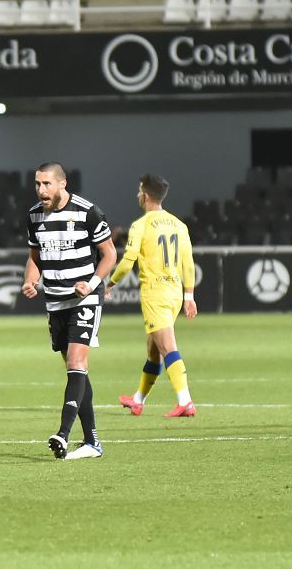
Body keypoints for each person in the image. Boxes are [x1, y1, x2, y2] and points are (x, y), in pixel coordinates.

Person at [22, 163, 117, 460]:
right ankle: (92, 443)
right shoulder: (34, 215)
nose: (41, 190)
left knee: (77, 362)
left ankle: (62, 433)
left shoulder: (88, 212)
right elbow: (34, 257)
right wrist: (30, 279)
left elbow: (109, 254)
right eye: (38, 184)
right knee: (77, 371)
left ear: (63, 184)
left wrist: (91, 284)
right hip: (55, 300)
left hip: (84, 300)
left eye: (47, 184)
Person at [106, 173, 197, 417]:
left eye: (139, 191)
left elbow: (127, 261)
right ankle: (138, 400)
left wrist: (109, 283)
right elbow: (188, 263)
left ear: (145, 195)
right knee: (154, 350)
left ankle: (185, 401)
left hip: (155, 293)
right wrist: (189, 296)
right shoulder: (179, 224)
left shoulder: (140, 225)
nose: (138, 194)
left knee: (167, 348)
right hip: (174, 292)